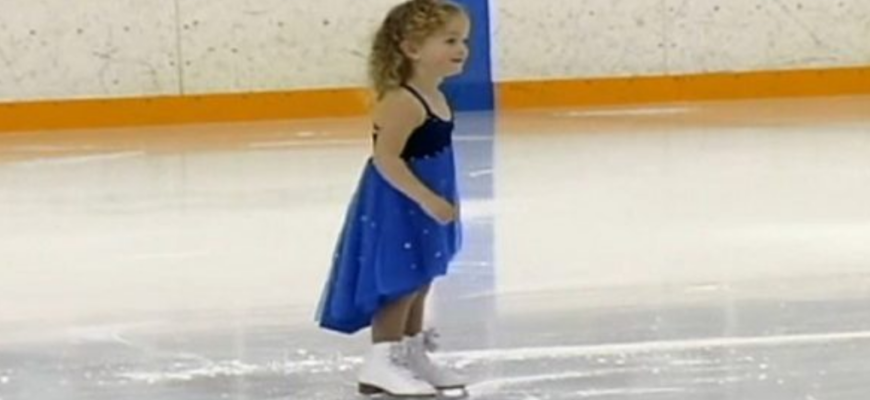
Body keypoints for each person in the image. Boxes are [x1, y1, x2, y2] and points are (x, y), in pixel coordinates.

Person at [315, 0, 471, 397]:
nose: (461, 49)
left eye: (463, 40)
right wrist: (424, 198)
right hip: (398, 203)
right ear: (412, 48)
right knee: (401, 279)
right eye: (449, 40)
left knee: (422, 277)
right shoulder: (403, 101)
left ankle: (411, 353)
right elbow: (385, 158)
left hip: (425, 199)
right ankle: (382, 361)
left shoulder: (434, 95)